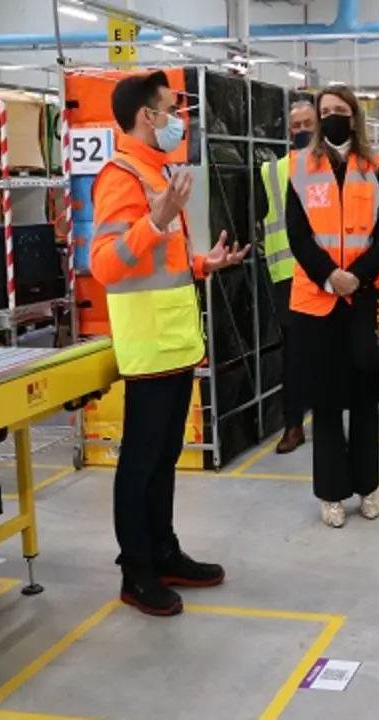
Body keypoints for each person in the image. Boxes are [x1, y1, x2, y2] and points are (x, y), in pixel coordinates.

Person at [91, 70, 250, 616]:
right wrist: (154, 224)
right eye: (169, 109)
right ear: (146, 117)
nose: (177, 120)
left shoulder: (156, 170)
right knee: (141, 461)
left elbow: (163, 263)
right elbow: (106, 265)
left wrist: (207, 263)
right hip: (149, 345)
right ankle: (135, 571)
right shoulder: (120, 176)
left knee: (163, 458)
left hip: (176, 342)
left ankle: (163, 550)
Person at [285, 86, 379, 529]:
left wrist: (361, 275)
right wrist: (331, 275)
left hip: (366, 298)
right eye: (324, 111)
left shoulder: (376, 167)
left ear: (354, 116)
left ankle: (368, 486)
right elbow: (297, 235)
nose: (331, 117)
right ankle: (331, 493)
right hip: (317, 302)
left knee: (365, 400)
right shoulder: (300, 169)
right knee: (327, 403)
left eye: (339, 111)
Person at [258, 101, 317, 455]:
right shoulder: (271, 172)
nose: (301, 130)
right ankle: (293, 425)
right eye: (296, 126)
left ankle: (328, 419)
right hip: (288, 276)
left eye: (308, 123)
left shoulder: (333, 168)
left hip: (327, 274)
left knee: (327, 350)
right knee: (293, 356)